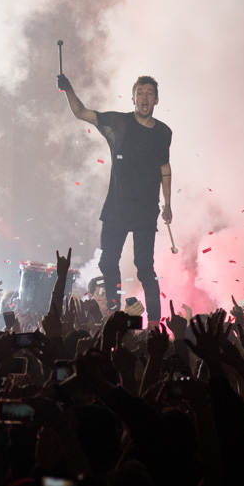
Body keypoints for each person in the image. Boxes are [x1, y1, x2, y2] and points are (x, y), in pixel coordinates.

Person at [57, 73, 172, 325]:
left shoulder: (164, 133)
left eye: (150, 93)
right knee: (108, 261)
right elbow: (82, 112)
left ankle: (154, 324)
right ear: (133, 97)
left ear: (156, 100)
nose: (144, 97)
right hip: (117, 207)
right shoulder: (119, 123)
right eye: (140, 92)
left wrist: (168, 203)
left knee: (144, 266)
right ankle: (113, 310)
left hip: (145, 210)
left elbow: (165, 167)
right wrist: (68, 89)